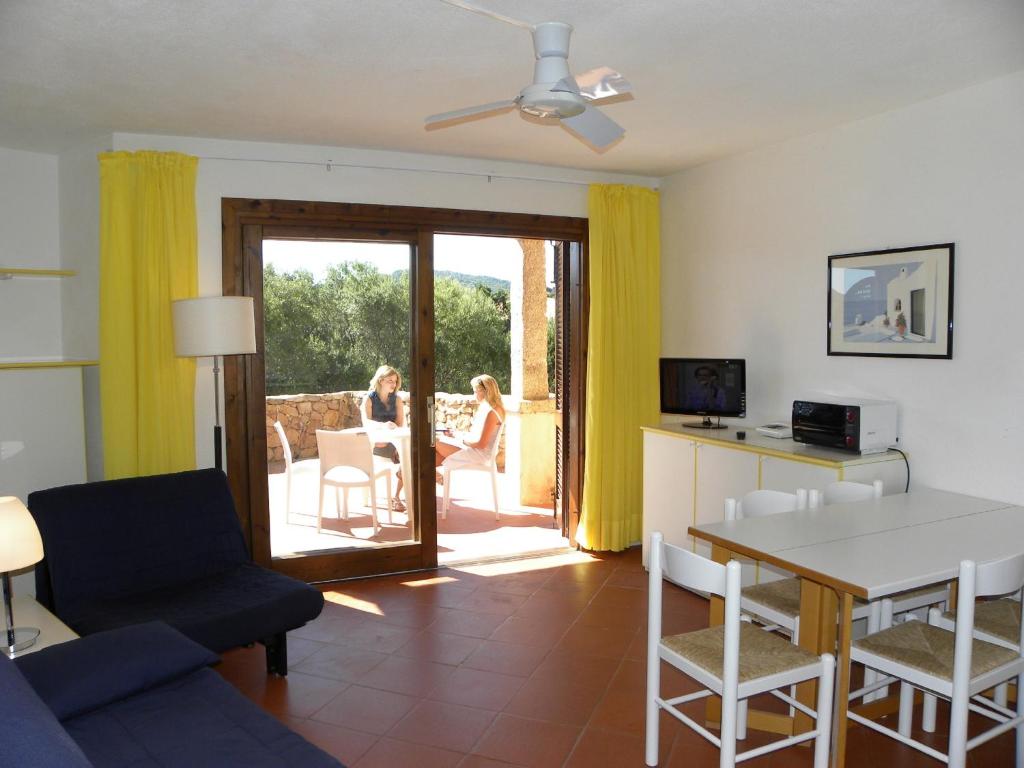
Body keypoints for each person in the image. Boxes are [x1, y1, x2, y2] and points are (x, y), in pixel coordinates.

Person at [435, 374, 505, 483]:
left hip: (479, 454)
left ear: (485, 391)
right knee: (432, 454)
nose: (474, 395)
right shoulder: (488, 408)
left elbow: (481, 444)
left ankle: (436, 478)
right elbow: (476, 436)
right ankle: (436, 477)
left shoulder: (492, 412)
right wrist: (456, 435)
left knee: (435, 442)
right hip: (473, 449)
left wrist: (461, 440)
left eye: (475, 391)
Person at [362, 365, 406, 511]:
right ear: (380, 380)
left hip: (393, 442)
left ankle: (396, 496)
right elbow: (366, 423)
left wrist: (389, 438)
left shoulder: (397, 399)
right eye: (390, 381)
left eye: (395, 381)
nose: (394, 384)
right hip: (375, 444)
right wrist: (383, 426)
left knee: (410, 455)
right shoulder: (369, 399)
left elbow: (399, 424)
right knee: (407, 456)